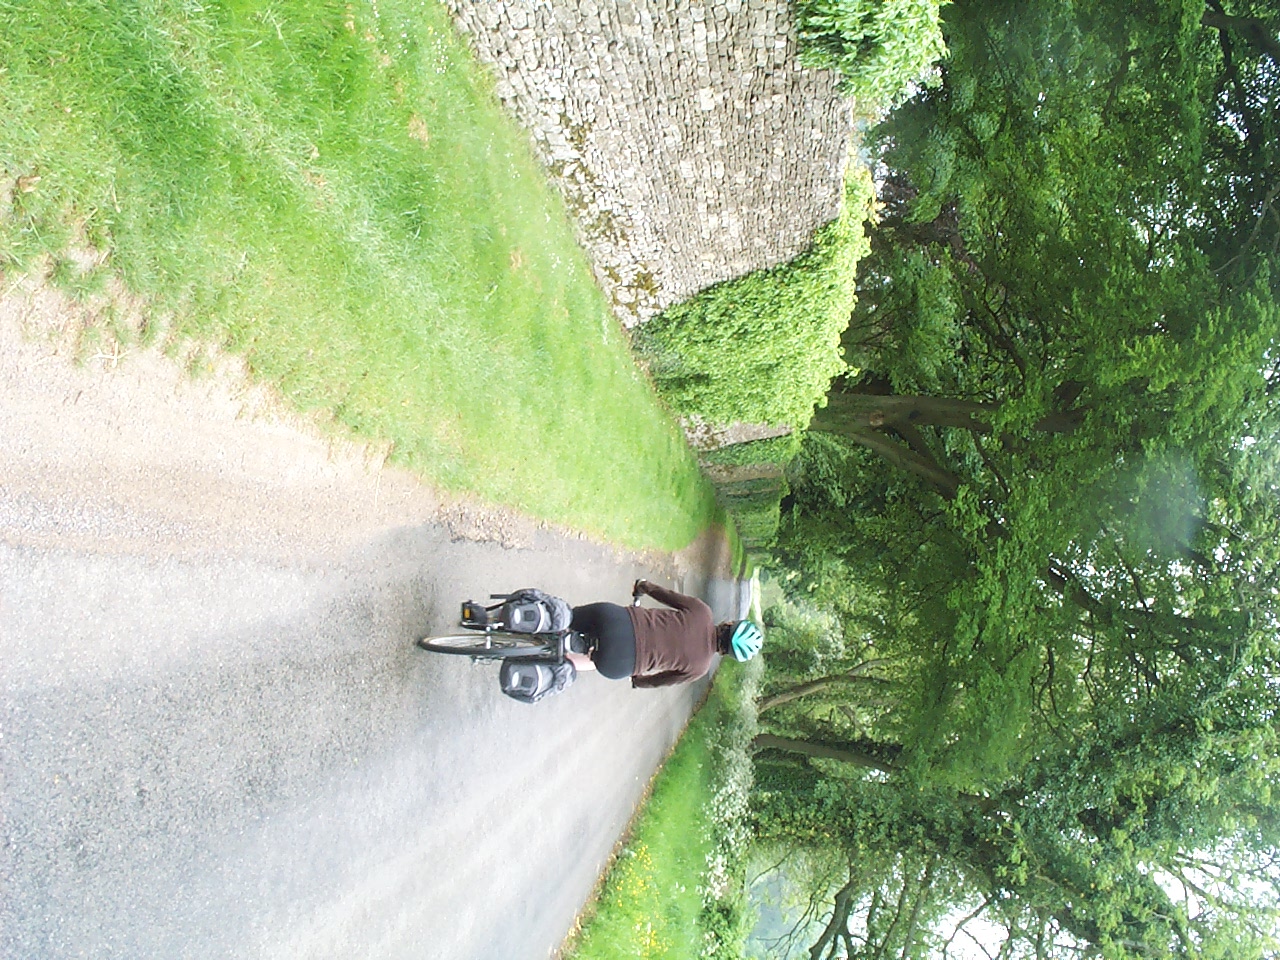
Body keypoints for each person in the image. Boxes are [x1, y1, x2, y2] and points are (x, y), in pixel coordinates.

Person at [565, 578, 763, 688]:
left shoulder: (702, 612)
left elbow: (666, 596)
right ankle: (560, 664)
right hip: (619, 664)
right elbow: (660, 680)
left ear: (729, 624)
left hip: (617, 622)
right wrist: (638, 681)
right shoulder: (699, 668)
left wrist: (644, 587)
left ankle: (554, 620)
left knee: (571, 617)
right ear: (726, 653)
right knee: (593, 659)